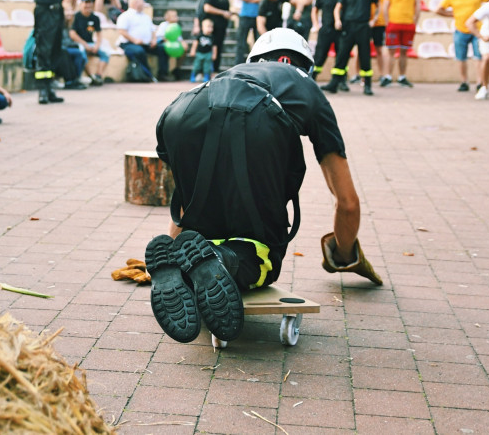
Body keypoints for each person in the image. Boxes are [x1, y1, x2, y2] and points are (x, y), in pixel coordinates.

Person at [147, 28, 382, 344]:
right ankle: (222, 261)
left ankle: (184, 260)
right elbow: (348, 202)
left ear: (254, 58)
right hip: (261, 119)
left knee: (204, 222)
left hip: (182, 111)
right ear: (306, 66)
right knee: (265, 256)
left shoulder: (229, 74)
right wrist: (342, 254)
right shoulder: (308, 89)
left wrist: (172, 242)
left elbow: (185, 197)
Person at [20, 0, 79, 103]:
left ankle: (50, 88)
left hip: (57, 10)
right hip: (43, 10)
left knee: (54, 50)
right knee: (44, 50)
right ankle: (42, 90)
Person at [322, 0, 380, 96]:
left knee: (365, 56)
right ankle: (334, 83)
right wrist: (337, 20)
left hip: (363, 27)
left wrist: (374, 19)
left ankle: (367, 85)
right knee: (342, 56)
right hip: (348, 27)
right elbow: (338, 8)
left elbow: (378, 5)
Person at [436, 0, 489, 92]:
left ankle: (479, 82)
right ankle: (464, 81)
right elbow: (439, 9)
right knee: (461, 57)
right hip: (460, 29)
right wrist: (452, 14)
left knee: (478, 56)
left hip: (477, 29)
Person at [380, 0, 421, 87]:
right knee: (391, 51)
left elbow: (418, 5)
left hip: (408, 24)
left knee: (404, 51)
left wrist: (415, 21)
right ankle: (388, 76)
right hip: (394, 23)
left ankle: (402, 77)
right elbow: (385, 6)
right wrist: (388, 22)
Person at [116, 0, 157, 82]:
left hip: (147, 44)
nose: (144, 4)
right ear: (135, 3)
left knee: (161, 49)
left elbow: (153, 30)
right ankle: (147, 74)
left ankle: (164, 74)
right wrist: (134, 40)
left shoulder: (146, 17)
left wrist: (154, 40)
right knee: (139, 51)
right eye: (142, 1)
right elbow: (122, 31)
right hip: (129, 44)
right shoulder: (125, 16)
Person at [69, 0, 109, 85]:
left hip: (91, 43)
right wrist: (84, 44)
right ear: (81, 4)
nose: (88, 5)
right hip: (78, 43)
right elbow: (72, 34)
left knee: (105, 53)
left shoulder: (95, 18)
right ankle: (91, 76)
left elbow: (99, 34)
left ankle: (98, 75)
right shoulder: (76, 16)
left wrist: (97, 45)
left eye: (90, 3)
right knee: (82, 53)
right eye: (85, 3)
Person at [311, 0, 342, 81]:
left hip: (340, 31)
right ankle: (312, 79)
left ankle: (340, 81)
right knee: (319, 56)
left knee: (341, 57)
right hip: (325, 30)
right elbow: (314, 10)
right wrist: (316, 25)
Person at [197, 0, 232, 72]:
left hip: (221, 27)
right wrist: (222, 12)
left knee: (218, 48)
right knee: (206, 48)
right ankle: (202, 71)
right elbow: (207, 8)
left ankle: (215, 69)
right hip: (211, 26)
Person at [360, 0, 388, 84]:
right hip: (365, 22)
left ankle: (382, 75)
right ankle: (358, 75)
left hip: (380, 23)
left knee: (379, 49)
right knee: (361, 49)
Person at [154, 8, 184, 81]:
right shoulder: (164, 25)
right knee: (163, 49)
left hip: (174, 45)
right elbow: (160, 37)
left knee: (184, 49)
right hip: (164, 44)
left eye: (176, 16)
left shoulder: (176, 26)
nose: (176, 17)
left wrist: (183, 44)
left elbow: (179, 38)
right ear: (167, 17)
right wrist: (171, 41)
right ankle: (163, 73)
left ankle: (176, 69)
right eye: (174, 16)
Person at [189, 18, 217, 82]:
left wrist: (214, 54)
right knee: (196, 66)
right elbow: (195, 43)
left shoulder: (212, 37)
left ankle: (206, 77)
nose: (210, 29)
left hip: (208, 54)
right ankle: (193, 76)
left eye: (211, 27)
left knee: (207, 67)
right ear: (203, 27)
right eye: (208, 27)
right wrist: (193, 50)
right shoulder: (200, 36)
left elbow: (214, 47)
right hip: (199, 53)